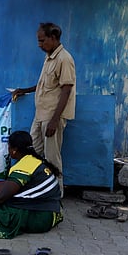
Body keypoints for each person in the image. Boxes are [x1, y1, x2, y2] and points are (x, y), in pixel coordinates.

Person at [11, 22, 76, 195]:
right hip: (41, 114)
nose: (39, 45)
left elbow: (66, 89)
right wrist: (24, 90)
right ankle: (33, 189)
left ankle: (56, 195)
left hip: (51, 117)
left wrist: (54, 120)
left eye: (42, 41)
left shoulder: (64, 59)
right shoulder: (50, 57)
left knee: (52, 158)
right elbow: (44, 85)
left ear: (53, 38)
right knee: (31, 152)